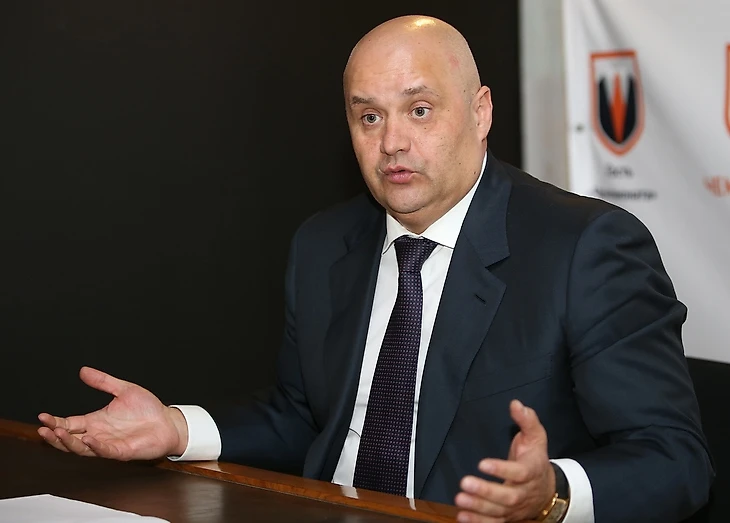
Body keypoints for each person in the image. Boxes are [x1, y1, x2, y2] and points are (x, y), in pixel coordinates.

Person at [38, 14, 713, 523]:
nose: (392, 142)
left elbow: (674, 460)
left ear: (480, 112)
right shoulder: (324, 243)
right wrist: (177, 429)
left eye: (419, 110)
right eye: (368, 117)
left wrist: (552, 494)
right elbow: (304, 415)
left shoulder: (586, 248)